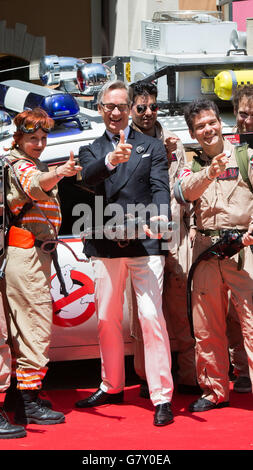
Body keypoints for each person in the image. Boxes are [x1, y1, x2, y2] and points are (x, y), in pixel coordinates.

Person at [75, 80, 174, 426]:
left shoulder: (152, 147)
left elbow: (160, 187)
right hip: (105, 245)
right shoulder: (90, 149)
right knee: (106, 319)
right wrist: (110, 160)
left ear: (131, 107)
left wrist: (162, 216)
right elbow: (87, 177)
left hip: (146, 244)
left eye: (121, 106)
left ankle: (162, 396)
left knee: (150, 318)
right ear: (101, 109)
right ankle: (112, 384)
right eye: (109, 107)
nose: (115, 112)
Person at [3, 107, 82, 426]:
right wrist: (61, 172)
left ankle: (21, 395)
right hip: (27, 255)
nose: (39, 143)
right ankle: (28, 401)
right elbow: (36, 185)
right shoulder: (21, 164)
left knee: (24, 328)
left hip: (34, 255)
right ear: (18, 138)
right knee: (35, 325)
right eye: (32, 137)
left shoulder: (29, 161)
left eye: (43, 137)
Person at [176, 99, 253, 412]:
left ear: (220, 122)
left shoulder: (246, 156)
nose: (207, 130)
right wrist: (209, 172)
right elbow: (184, 192)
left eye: (211, 123)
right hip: (206, 253)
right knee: (206, 327)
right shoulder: (192, 162)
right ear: (193, 134)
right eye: (200, 127)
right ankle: (214, 391)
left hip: (244, 250)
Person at [129, 81, 200, 396]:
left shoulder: (175, 145)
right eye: (141, 107)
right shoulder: (123, 142)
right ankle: (148, 379)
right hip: (139, 242)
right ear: (131, 107)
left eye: (153, 107)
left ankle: (188, 376)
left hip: (174, 238)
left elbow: (183, 192)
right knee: (145, 316)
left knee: (180, 310)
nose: (148, 113)